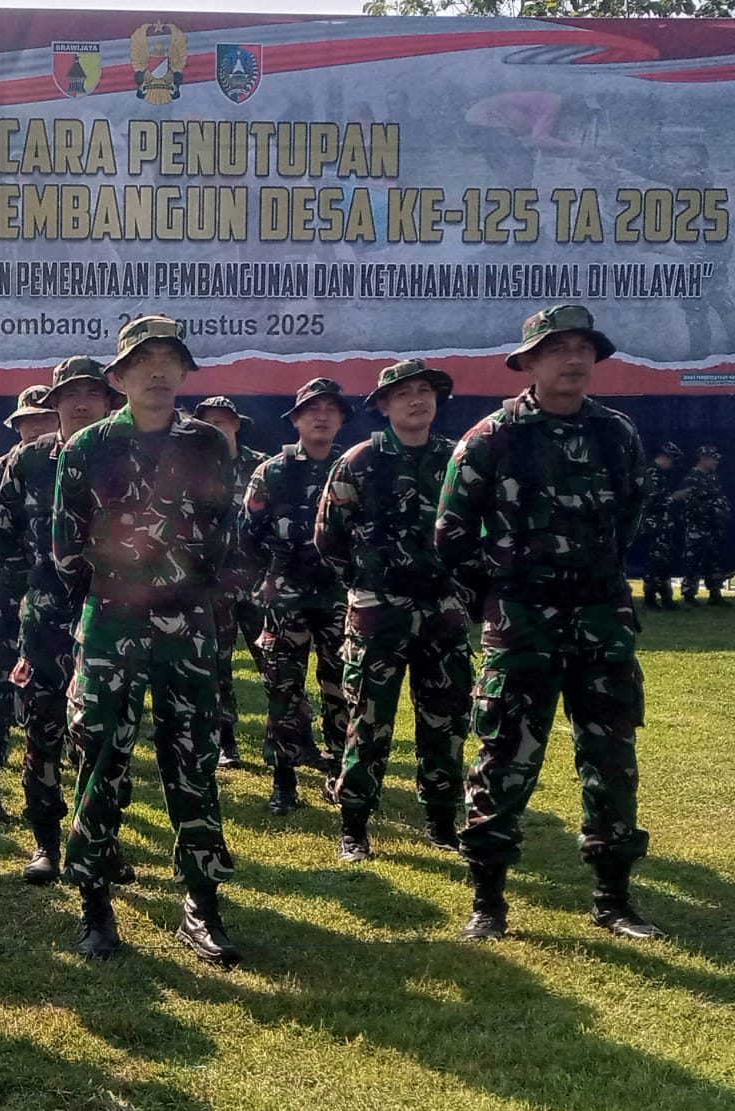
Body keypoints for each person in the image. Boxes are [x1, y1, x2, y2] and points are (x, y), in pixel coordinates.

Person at [436, 304, 661, 941]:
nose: (574, 359)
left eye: (583, 348)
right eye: (558, 348)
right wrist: (503, 592)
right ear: (529, 363)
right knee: (504, 756)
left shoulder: (616, 434)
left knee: (611, 758)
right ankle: (488, 903)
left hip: (602, 619)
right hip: (522, 621)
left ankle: (613, 898)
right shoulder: (492, 437)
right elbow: (451, 535)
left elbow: (629, 516)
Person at [53, 317, 240, 966]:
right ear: (120, 376)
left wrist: (189, 593)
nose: (157, 371)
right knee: (101, 756)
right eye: (143, 361)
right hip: (112, 623)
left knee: (194, 758)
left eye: (169, 359)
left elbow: (223, 532)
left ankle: (201, 903)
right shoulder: (88, 447)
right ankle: (95, 901)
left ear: (185, 371)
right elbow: (66, 546)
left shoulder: (207, 445)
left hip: (186, 624)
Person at [314, 360, 471, 862]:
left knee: (446, 720)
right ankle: (354, 827)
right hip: (378, 614)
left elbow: (479, 531)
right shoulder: (359, 461)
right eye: (403, 394)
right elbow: (329, 537)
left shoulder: (458, 460)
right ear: (383, 406)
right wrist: (366, 585)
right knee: (368, 720)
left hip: (443, 612)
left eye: (425, 390)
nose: (416, 400)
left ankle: (442, 821)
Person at [0, 356, 115, 881]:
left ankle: (102, 840)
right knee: (41, 728)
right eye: (70, 395)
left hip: (112, 617)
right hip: (45, 617)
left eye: (92, 394)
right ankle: (45, 841)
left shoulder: (128, 455)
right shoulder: (29, 461)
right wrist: (17, 605)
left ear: (109, 401)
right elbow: (1, 540)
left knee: (105, 735)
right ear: (55, 402)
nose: (81, 404)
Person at [239, 378, 354, 815]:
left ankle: (340, 774)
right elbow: (246, 535)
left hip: (339, 597)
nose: (321, 417)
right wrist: (268, 580)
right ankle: (284, 782)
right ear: (296, 420)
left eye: (330, 409)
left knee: (341, 686)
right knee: (283, 690)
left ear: (341, 418)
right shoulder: (272, 472)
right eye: (311, 410)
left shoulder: (354, 467)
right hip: (285, 599)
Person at [0, 387, 59, 823]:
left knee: (57, 701)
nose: (37, 426)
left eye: (45, 418)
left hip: (60, 606)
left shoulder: (75, 467)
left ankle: (48, 792)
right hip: (9, 603)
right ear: (17, 426)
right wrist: (10, 579)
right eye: (29, 420)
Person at [193, 396, 269, 768]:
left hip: (258, 582)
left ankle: (286, 738)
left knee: (273, 661)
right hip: (215, 582)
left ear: (236, 424)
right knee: (217, 664)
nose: (217, 429)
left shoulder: (261, 467)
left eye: (223, 422)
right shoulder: (193, 470)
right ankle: (226, 742)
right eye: (210, 423)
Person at [675, 445, 729, 606]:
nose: (716, 462)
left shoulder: (713, 477)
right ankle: (689, 594)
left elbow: (719, 497)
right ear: (703, 459)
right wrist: (711, 510)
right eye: (713, 458)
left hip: (714, 527)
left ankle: (715, 592)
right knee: (694, 560)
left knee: (714, 559)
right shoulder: (692, 478)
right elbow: (688, 504)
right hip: (698, 528)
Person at [639, 442, 684, 609]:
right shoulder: (651, 475)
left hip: (663, 526)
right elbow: (651, 502)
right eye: (672, 461)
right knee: (655, 561)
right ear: (665, 457)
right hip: (654, 526)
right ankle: (650, 598)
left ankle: (666, 597)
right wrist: (674, 498)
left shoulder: (659, 475)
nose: (672, 466)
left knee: (663, 562)